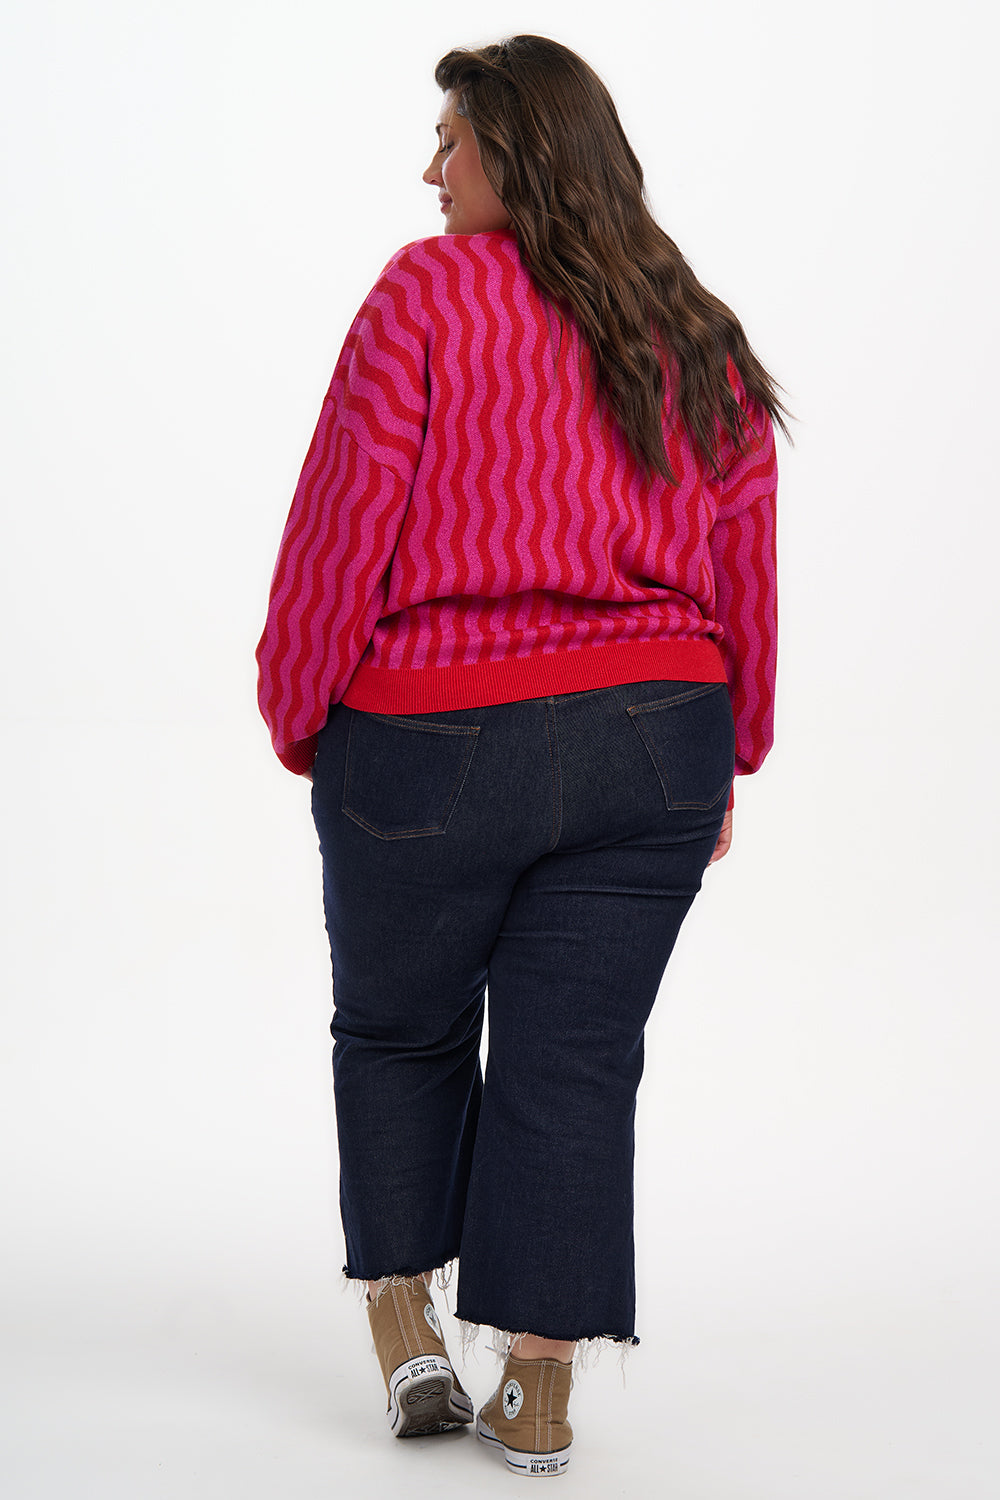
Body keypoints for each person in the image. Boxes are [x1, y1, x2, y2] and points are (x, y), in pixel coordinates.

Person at [256, 34, 789, 1479]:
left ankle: (408, 1330)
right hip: (654, 751)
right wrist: (730, 751)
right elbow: (747, 561)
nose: (431, 168)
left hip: (432, 739)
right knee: (572, 1061)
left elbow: (340, 527)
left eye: (454, 140)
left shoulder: (426, 296)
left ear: (522, 155)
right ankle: (539, 1397)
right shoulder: (700, 329)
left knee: (399, 1030)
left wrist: (301, 709)